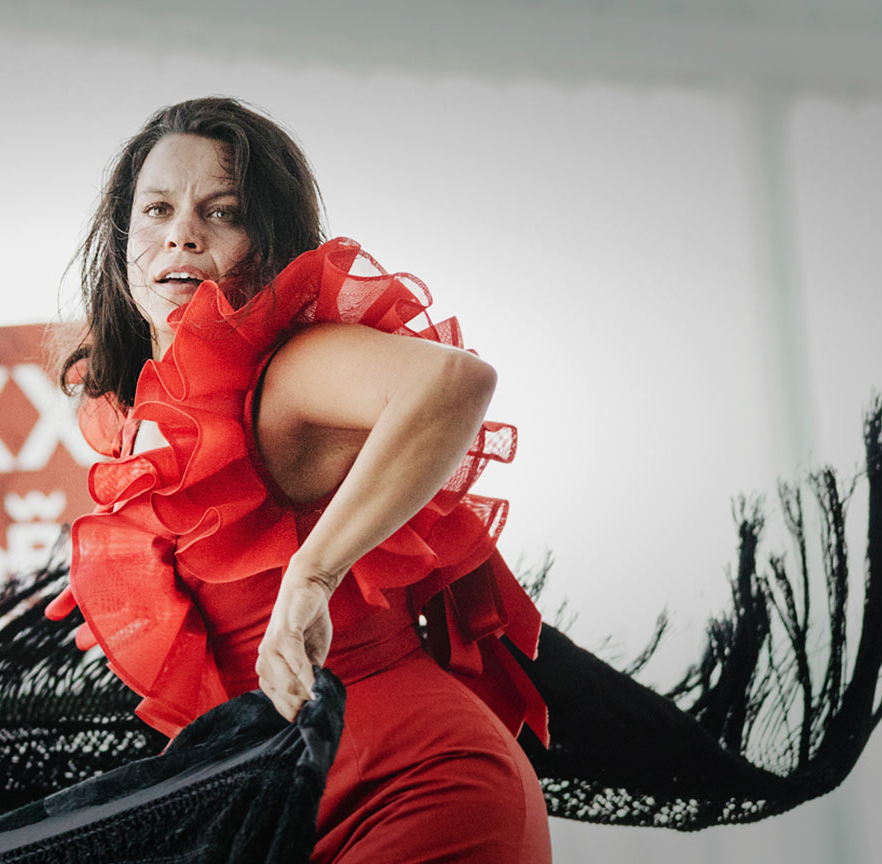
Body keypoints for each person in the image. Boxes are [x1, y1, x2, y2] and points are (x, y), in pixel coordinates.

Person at [49, 97, 552, 862]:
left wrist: (312, 577)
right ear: (122, 240)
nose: (182, 232)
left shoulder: (285, 374)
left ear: (268, 243)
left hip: (418, 786)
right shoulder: (150, 413)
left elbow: (456, 383)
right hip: (287, 808)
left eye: (222, 212)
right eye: (157, 209)